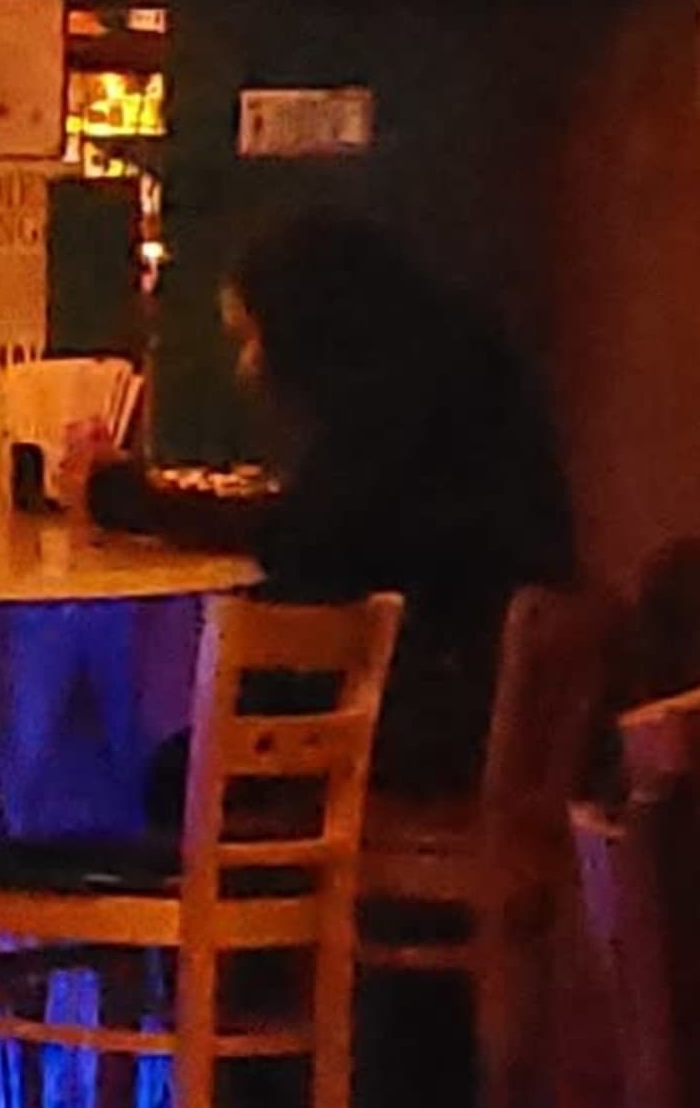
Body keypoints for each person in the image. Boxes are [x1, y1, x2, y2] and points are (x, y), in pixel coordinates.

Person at [217, 207, 575, 793]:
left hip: (435, 724)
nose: (248, 365)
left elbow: (309, 541)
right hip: (487, 707)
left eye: (253, 336)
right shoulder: (455, 357)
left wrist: (136, 503)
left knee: (182, 770)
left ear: (301, 323)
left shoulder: (386, 404)